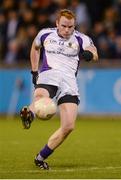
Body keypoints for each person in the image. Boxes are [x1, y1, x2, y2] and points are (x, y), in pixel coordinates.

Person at [20, 9, 98, 170]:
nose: (67, 30)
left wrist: (90, 55)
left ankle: (40, 157)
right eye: (64, 26)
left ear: (74, 25)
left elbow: (94, 51)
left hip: (69, 82)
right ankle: (30, 114)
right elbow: (35, 48)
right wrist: (34, 71)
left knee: (69, 126)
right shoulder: (45, 34)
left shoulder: (81, 38)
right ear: (57, 23)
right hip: (49, 75)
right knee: (41, 96)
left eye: (70, 27)